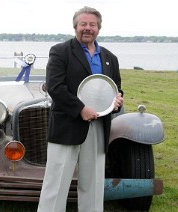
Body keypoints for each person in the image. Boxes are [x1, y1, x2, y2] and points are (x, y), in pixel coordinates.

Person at [37, 6, 124, 212]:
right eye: (83, 24)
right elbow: (55, 87)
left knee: (93, 183)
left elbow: (115, 88)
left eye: (92, 24)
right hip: (67, 125)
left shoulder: (110, 57)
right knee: (56, 183)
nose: (87, 28)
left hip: (98, 125)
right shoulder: (60, 51)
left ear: (98, 28)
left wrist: (117, 101)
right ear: (75, 26)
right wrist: (80, 109)